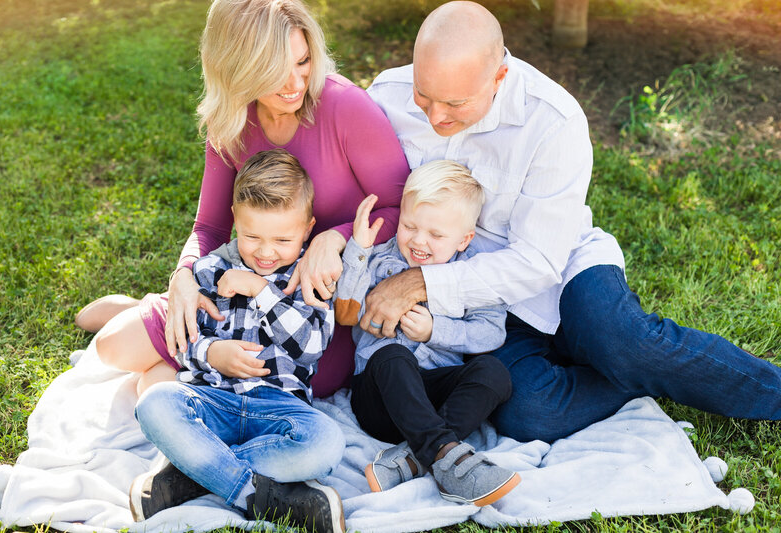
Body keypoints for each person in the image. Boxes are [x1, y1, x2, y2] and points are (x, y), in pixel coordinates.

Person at [361, 0, 781, 444]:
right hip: (482, 308)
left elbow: (538, 261)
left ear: (499, 77)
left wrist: (421, 282)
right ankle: (625, 376)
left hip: (559, 270)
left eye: (456, 103)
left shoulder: (553, 120)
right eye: (423, 96)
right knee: (528, 415)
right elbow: (357, 193)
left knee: (624, 342)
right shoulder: (386, 96)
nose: (435, 116)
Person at [75, 0, 409, 397]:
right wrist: (183, 277)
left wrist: (333, 238)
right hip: (239, 284)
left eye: (302, 62)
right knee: (113, 349)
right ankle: (152, 310)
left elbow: (400, 207)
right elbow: (211, 225)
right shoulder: (230, 117)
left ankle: (147, 316)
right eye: (274, 71)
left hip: (316, 302)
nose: (295, 84)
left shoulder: (345, 107)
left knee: (309, 378)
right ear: (237, 68)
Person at [130, 150, 346, 532]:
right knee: (155, 403)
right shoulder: (210, 270)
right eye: (252, 236)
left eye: (282, 239)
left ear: (308, 229)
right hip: (213, 402)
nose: (265, 251)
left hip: (278, 412)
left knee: (326, 442)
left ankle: (195, 472)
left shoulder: (310, 277)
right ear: (234, 220)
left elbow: (310, 347)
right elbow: (182, 343)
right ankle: (255, 494)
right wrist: (211, 353)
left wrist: (262, 291)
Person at [336, 160, 519, 506]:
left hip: (434, 401)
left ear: (465, 239)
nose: (419, 241)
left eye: (436, 235)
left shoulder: (471, 274)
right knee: (392, 354)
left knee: (494, 373)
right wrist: (358, 250)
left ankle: (413, 459)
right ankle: (449, 457)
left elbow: (491, 333)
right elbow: (348, 311)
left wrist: (436, 330)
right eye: (409, 226)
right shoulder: (380, 260)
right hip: (380, 399)